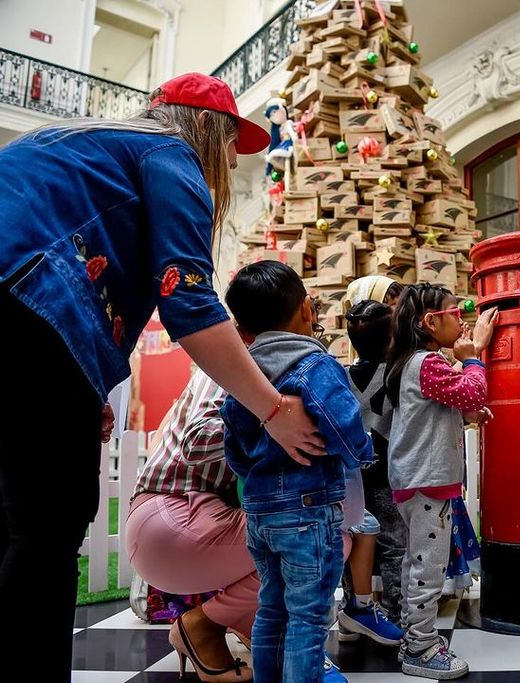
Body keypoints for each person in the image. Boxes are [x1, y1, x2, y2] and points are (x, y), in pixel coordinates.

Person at [0, 72, 324, 680]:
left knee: (10, 519)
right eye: (231, 142)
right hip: (37, 307)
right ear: (208, 130)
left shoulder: (66, 139)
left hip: (27, 318)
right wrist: (275, 410)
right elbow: (190, 304)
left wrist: (87, 380)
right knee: (47, 525)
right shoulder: (170, 156)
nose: (230, 158)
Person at [127, 365, 356, 683]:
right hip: (174, 517)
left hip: (187, 520)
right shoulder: (234, 367)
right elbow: (199, 440)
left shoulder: (266, 371)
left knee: (299, 538)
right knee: (326, 536)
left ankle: (253, 630)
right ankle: (203, 625)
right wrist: (274, 420)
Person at [221, 261, 374, 683]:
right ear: (307, 310)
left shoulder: (243, 375)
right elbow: (344, 425)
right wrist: (361, 455)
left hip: (260, 512)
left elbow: (233, 447)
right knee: (308, 618)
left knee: (272, 608)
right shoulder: (315, 363)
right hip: (309, 510)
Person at [385, 284, 498, 680]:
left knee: (417, 561)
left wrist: (468, 411)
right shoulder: (427, 362)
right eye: (456, 312)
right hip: (427, 481)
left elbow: (448, 406)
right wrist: (473, 356)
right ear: (432, 322)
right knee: (427, 568)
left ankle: (412, 636)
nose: (462, 320)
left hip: (417, 479)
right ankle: (421, 647)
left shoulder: (412, 363)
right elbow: (471, 392)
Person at [339, 298, 406, 642]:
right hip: (390, 476)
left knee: (350, 543)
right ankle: (396, 616)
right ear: (392, 336)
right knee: (395, 547)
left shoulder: (340, 375)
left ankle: (353, 611)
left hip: (352, 479)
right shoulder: (397, 374)